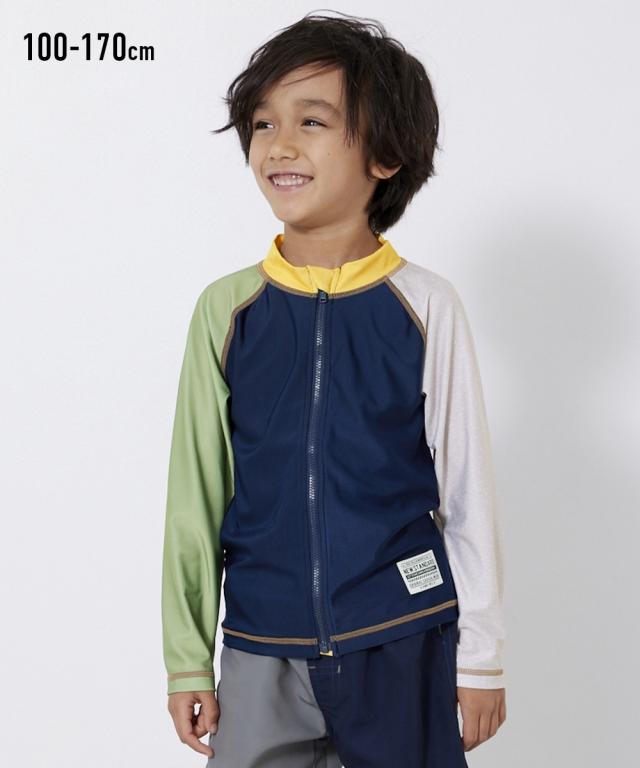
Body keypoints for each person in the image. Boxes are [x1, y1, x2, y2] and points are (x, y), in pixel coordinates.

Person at [161, 11, 507, 767]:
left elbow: (465, 490)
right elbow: (197, 495)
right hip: (261, 643)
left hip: (400, 634)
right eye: (263, 123)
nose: (278, 145)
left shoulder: (425, 305)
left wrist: (480, 657)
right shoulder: (227, 310)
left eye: (311, 121)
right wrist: (187, 658)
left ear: (385, 154)